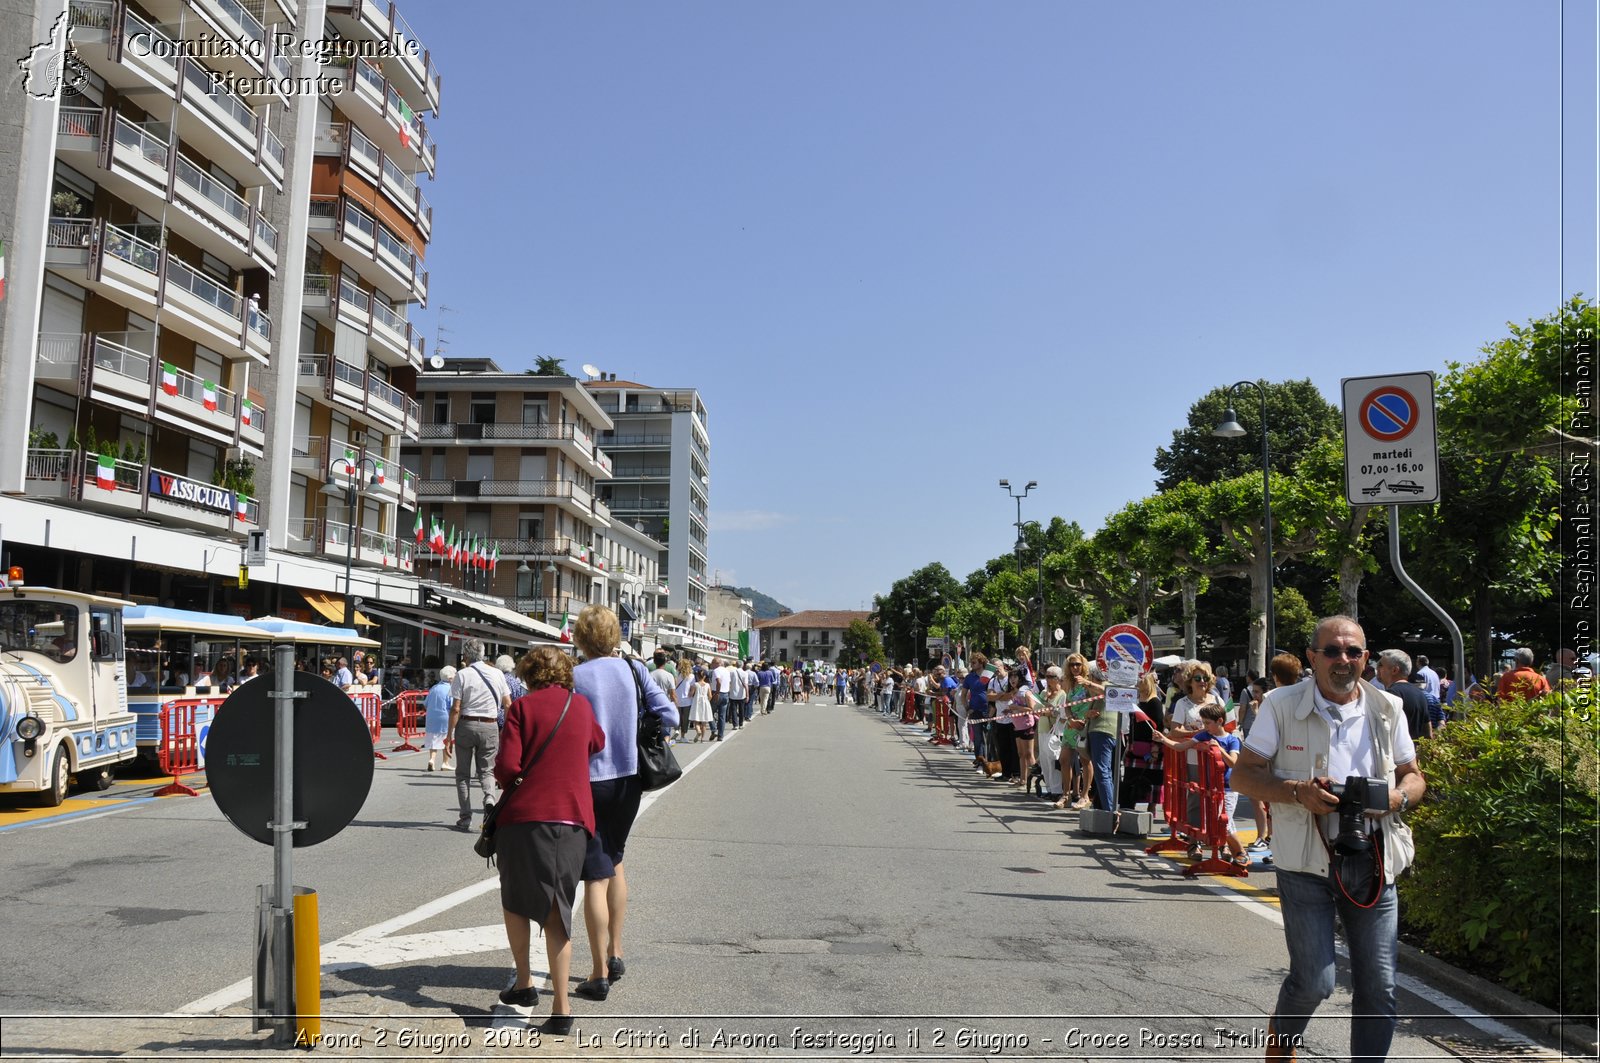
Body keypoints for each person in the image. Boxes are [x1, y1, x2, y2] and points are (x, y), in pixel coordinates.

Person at [1232, 615, 1425, 1063]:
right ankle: (1280, 1043)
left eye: (1354, 651)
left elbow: (1413, 776)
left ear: (1366, 657)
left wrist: (1395, 799)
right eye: (1333, 651)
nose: (1344, 660)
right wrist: (1297, 793)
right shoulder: (1280, 704)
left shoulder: (1386, 708)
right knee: (1314, 982)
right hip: (1305, 862)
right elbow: (1244, 774)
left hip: (1373, 859)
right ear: (1312, 658)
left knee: (1380, 986)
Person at [493, 647, 606, 1035]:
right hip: (572, 818)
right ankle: (560, 1004)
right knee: (558, 911)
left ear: (529, 674)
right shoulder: (582, 706)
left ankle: (525, 983)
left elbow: (507, 767)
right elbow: (597, 743)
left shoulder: (521, 709)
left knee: (515, 900)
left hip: (523, 819)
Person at [570, 605, 679, 1003]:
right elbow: (669, 715)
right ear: (615, 636)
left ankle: (598, 973)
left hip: (588, 779)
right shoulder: (635, 671)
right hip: (630, 778)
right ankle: (616, 951)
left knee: (594, 873)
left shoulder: (575, 675)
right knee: (614, 858)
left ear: (580, 638)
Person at [447, 639, 512, 833]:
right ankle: (490, 798)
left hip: (466, 724)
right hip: (490, 725)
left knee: (463, 774)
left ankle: (465, 817)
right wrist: (506, 727)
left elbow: (456, 708)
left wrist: (449, 735)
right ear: (483, 653)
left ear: (466, 655)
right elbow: (508, 703)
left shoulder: (462, 674)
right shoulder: (497, 673)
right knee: (487, 770)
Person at [1079, 663, 1115, 810]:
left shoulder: (1107, 686)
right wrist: (1087, 714)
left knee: (1102, 771)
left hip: (1103, 731)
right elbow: (1088, 711)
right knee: (1105, 771)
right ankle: (1108, 807)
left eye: (1090, 676)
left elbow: (1106, 691)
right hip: (1099, 731)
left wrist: (1087, 683)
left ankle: (1110, 810)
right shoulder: (1096, 693)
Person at [1375, 649, 1432, 742]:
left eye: (1380, 665)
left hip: (1396, 753)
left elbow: (1382, 731)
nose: (1377, 668)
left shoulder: (1391, 695)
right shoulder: (1420, 694)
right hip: (1414, 752)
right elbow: (1428, 732)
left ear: (1394, 670)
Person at [423, 665, 456, 772]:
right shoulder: (451, 690)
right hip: (445, 717)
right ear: (450, 678)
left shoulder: (434, 688)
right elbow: (453, 706)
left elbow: (426, 703)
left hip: (432, 718)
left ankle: (432, 760)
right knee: (447, 739)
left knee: (433, 740)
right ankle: (445, 763)